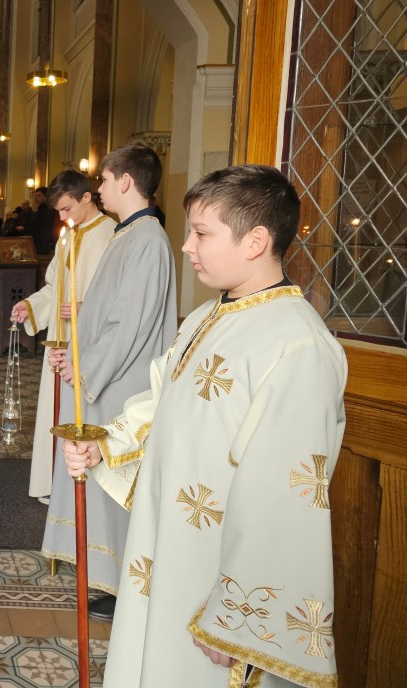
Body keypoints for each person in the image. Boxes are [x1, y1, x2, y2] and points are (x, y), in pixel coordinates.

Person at [66, 165, 346, 687]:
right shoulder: (206, 316)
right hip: (168, 546)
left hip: (216, 577)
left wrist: (233, 618)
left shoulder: (297, 345)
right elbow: (165, 402)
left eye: (201, 233)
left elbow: (285, 496)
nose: (187, 246)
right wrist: (108, 444)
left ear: (255, 241)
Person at [42, 142, 178, 618]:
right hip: (107, 376)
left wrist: (85, 366)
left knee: (117, 484)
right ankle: (114, 580)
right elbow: (106, 314)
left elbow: (128, 324)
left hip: (121, 385)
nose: (97, 187)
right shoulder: (131, 234)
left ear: (126, 181)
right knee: (103, 485)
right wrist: (75, 353)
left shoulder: (147, 240)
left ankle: (128, 587)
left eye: (103, 179)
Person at [10, 170, 115, 503]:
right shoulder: (67, 235)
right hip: (60, 337)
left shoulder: (112, 234)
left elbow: (120, 295)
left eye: (67, 208)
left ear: (87, 197)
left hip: (91, 343)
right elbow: (54, 286)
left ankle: (80, 490)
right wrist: (31, 306)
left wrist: (87, 306)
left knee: (82, 410)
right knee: (56, 408)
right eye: (58, 211)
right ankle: (55, 484)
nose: (62, 217)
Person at [30, 186, 58, 254]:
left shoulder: (49, 211)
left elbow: (46, 230)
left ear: (46, 197)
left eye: (39, 196)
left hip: (43, 245)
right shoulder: (40, 211)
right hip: (37, 244)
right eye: (35, 196)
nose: (36, 198)